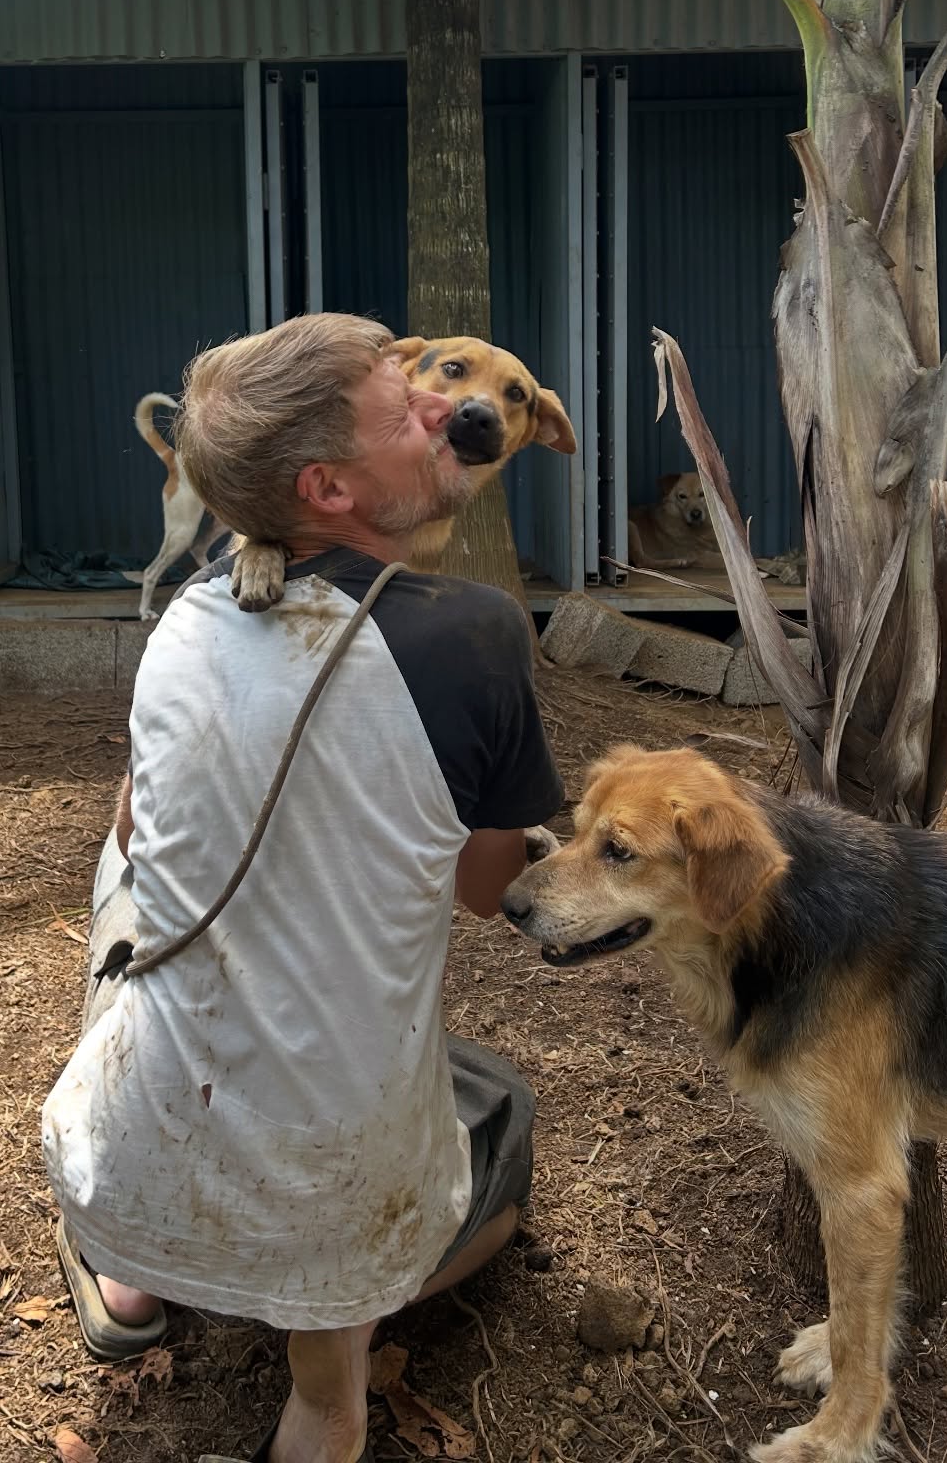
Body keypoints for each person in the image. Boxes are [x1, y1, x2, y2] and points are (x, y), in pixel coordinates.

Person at [41, 313, 565, 1463]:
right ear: (325, 487)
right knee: (505, 1117)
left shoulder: (186, 617)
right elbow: (487, 889)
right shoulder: (480, 635)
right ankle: (329, 1389)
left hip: (119, 1178)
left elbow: (138, 825)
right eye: (406, 404)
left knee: (123, 874)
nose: (443, 407)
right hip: (342, 1215)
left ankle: (131, 1283)